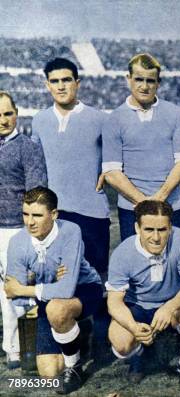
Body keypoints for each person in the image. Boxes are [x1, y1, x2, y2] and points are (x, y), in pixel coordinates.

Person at [32, 57, 112, 355]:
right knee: (58, 276)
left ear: (78, 83)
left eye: (67, 80)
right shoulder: (39, 120)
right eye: (55, 81)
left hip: (91, 211)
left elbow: (115, 158)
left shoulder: (99, 118)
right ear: (47, 85)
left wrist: (106, 170)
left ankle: (101, 341)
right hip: (55, 214)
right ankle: (62, 336)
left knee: (95, 277)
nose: (61, 86)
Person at [4, 187, 102, 394]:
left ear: (54, 214)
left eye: (37, 215)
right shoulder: (17, 242)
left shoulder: (70, 231)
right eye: (26, 214)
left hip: (84, 289)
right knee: (49, 375)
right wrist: (34, 288)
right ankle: (77, 335)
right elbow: (16, 299)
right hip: (46, 300)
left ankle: (74, 366)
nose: (30, 222)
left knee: (58, 308)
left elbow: (66, 289)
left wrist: (26, 286)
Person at [106, 200, 180, 395]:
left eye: (162, 229)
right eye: (149, 229)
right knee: (121, 342)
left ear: (170, 227)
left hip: (173, 303)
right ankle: (140, 355)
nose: (156, 237)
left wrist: (169, 307)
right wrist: (134, 327)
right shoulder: (123, 253)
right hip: (139, 306)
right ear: (137, 228)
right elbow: (114, 302)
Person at [103, 53, 180, 241]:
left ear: (158, 83)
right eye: (138, 79)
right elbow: (112, 172)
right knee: (137, 267)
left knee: (178, 265)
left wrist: (160, 198)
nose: (144, 86)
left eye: (150, 81)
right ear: (128, 79)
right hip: (132, 209)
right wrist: (144, 203)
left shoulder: (174, 114)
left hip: (172, 206)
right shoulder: (114, 119)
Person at [0, 91, 47, 369]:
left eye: (8, 113)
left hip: (14, 228)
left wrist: (32, 232)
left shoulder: (27, 147)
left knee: (14, 289)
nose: (3, 120)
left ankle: (16, 349)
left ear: (16, 114)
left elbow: (36, 192)